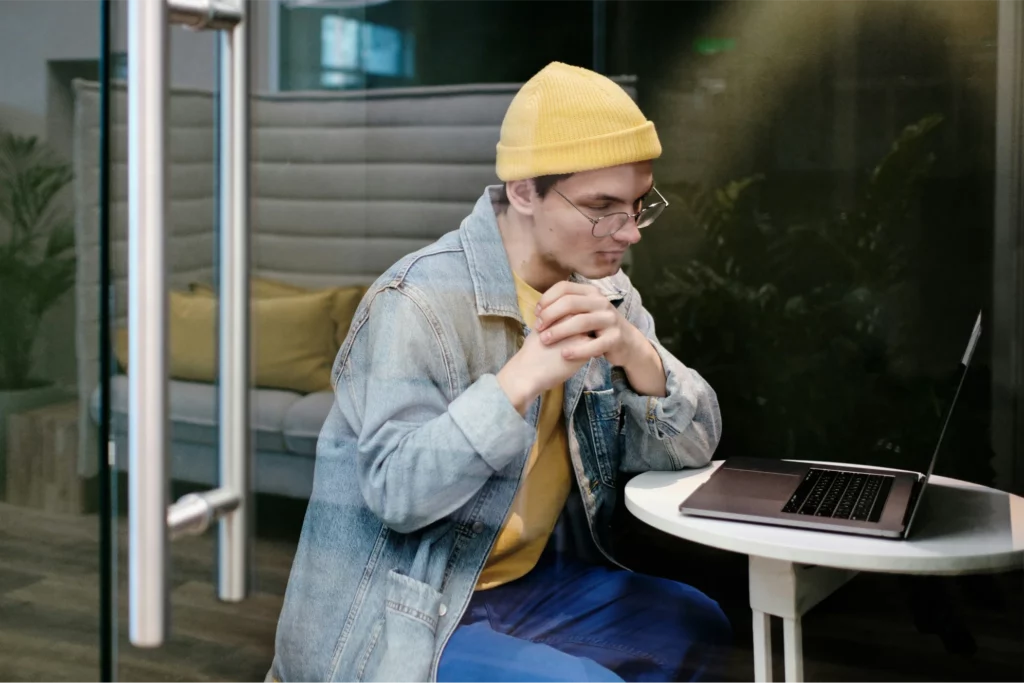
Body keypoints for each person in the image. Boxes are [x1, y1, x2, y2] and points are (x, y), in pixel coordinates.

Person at [267, 61, 731, 683]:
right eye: (602, 208)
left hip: (523, 582)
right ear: (522, 191)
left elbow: (693, 445)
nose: (628, 233)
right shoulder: (416, 302)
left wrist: (633, 351)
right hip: (411, 608)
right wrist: (519, 379)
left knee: (697, 624)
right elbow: (395, 494)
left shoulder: (607, 290)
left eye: (638, 207)